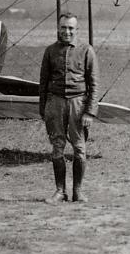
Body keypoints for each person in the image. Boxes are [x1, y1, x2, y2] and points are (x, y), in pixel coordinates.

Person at [39, 13, 99, 204]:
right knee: (57, 148)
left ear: (77, 30)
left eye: (71, 28)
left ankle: (78, 191)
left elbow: (94, 84)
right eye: (63, 27)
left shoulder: (86, 50)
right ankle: (60, 191)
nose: (67, 32)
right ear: (58, 29)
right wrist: (45, 110)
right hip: (55, 103)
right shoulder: (50, 51)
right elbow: (43, 83)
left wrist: (90, 112)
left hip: (78, 104)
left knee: (79, 149)